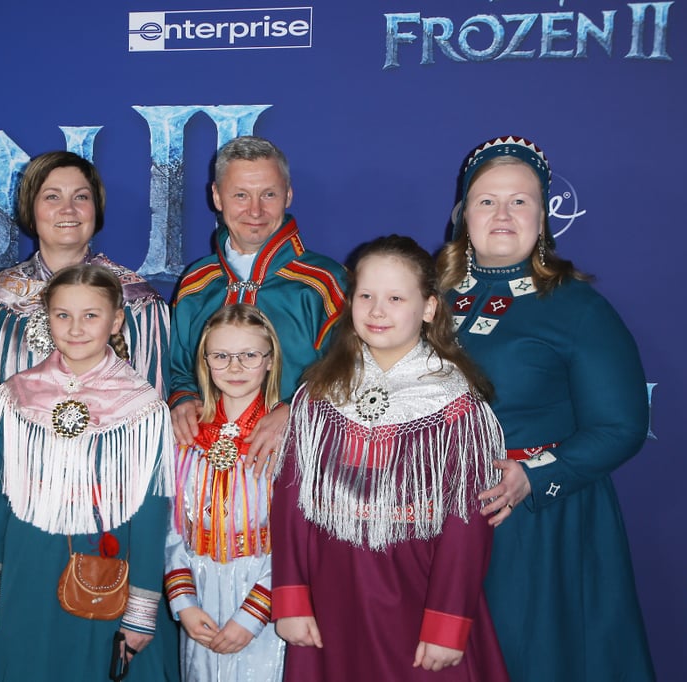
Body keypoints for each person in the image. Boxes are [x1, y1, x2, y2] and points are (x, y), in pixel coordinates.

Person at [437, 136, 656, 681]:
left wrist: (533, 478)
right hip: (427, 518)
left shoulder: (578, 306)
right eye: (487, 201)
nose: (503, 214)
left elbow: (621, 426)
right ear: (464, 214)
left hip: (533, 526)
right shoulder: (421, 296)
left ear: (543, 216)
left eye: (520, 201)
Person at [272, 235, 509, 681]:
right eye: (366, 296)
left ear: (428, 308)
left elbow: (467, 524)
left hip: (416, 593)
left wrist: (447, 621)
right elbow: (291, 502)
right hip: (331, 593)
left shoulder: (456, 405)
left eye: (396, 298)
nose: (377, 310)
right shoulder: (318, 396)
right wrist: (291, 596)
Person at [0, 264, 175, 680]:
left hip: (109, 572)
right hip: (26, 568)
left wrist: (142, 610)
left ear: (116, 320)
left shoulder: (144, 407)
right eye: (63, 315)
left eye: (91, 315)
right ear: (47, 317)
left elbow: (152, 516)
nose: (75, 328)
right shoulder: (15, 396)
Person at [168, 135, 346, 471]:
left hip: (300, 465)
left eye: (269, 194)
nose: (255, 211)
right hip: (207, 469)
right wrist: (184, 400)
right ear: (217, 197)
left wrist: (295, 409)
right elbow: (180, 369)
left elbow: (351, 370)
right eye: (240, 195)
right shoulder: (196, 283)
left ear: (288, 195)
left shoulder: (325, 283)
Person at [0, 150, 168, 396]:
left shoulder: (138, 303)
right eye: (52, 197)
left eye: (81, 197)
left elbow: (153, 406)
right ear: (31, 209)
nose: (68, 209)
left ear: (96, 209)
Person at [164, 304, 287, 681]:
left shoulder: (287, 439)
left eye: (249, 355)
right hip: (199, 594)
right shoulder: (184, 438)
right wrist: (183, 602)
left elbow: (297, 538)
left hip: (264, 598)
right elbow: (170, 529)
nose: (235, 368)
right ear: (205, 361)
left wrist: (254, 613)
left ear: (270, 361)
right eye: (221, 356)